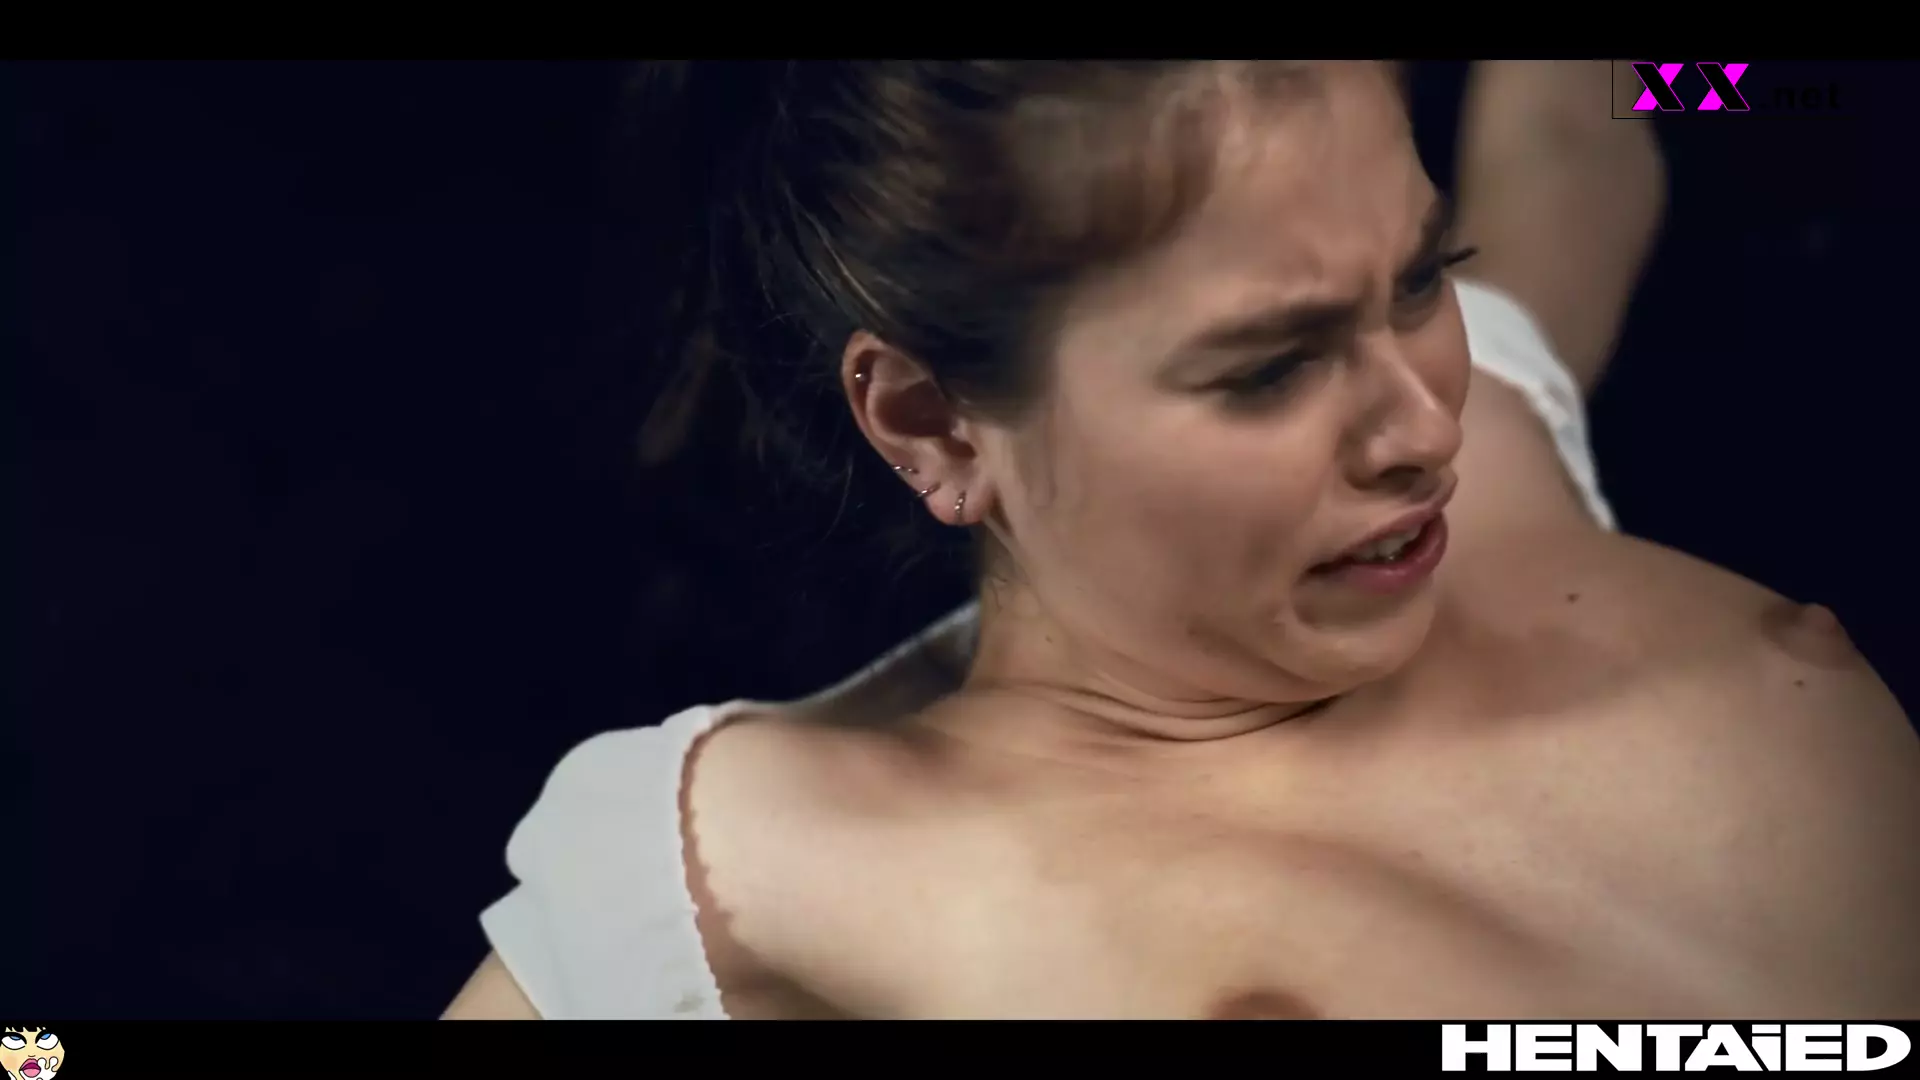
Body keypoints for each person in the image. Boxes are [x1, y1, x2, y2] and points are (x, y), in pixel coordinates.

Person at [444, 60, 1920, 1020]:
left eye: (1423, 278)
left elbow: (1584, 120)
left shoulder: (1495, 439)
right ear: (933, 425)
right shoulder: (771, 860)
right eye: (1271, 368)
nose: (1425, 425)